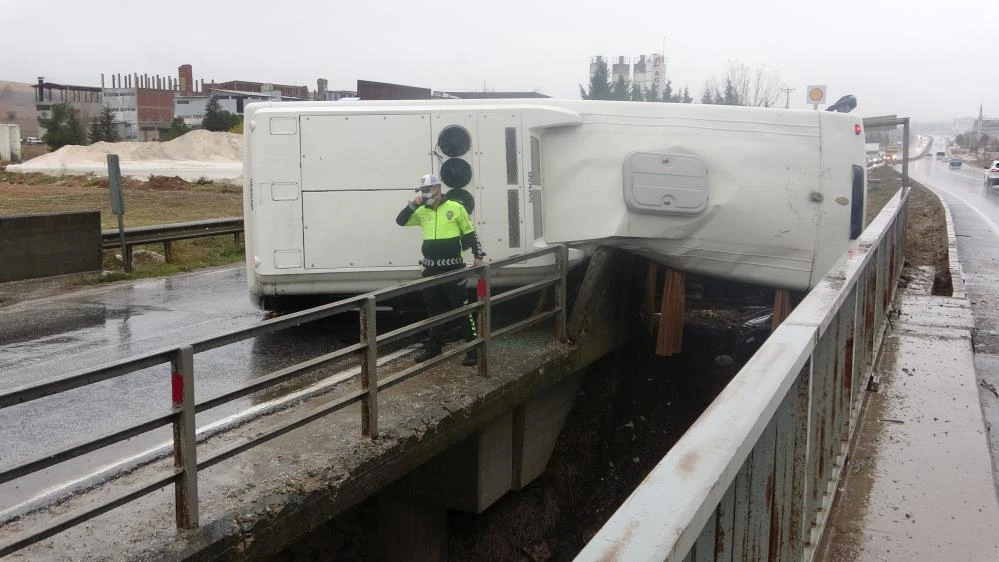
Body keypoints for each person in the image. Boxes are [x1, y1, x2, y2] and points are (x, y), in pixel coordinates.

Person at [396, 174, 485, 366]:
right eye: (422, 191)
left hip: (453, 268)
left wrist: (478, 256)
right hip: (430, 269)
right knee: (433, 310)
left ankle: (473, 348)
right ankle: (434, 347)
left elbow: (470, 233)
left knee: (461, 308)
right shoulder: (421, 211)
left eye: (427, 190)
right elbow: (400, 221)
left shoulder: (456, 207)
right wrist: (413, 204)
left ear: (437, 189)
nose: (424, 194)